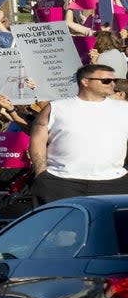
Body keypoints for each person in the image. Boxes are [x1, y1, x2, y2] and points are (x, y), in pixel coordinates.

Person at [30, 64, 128, 205]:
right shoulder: (57, 107)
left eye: (114, 80)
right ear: (85, 81)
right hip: (60, 182)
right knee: (60, 226)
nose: (112, 83)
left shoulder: (124, 108)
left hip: (113, 183)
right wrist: (40, 172)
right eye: (106, 80)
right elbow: (37, 139)